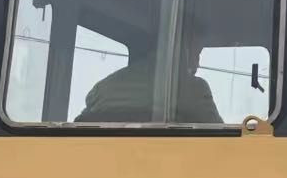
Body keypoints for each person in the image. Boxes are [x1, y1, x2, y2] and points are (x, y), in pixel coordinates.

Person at [76, 40, 223, 124]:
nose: (197, 64)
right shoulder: (194, 89)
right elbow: (223, 142)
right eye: (196, 54)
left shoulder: (101, 90)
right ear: (182, 49)